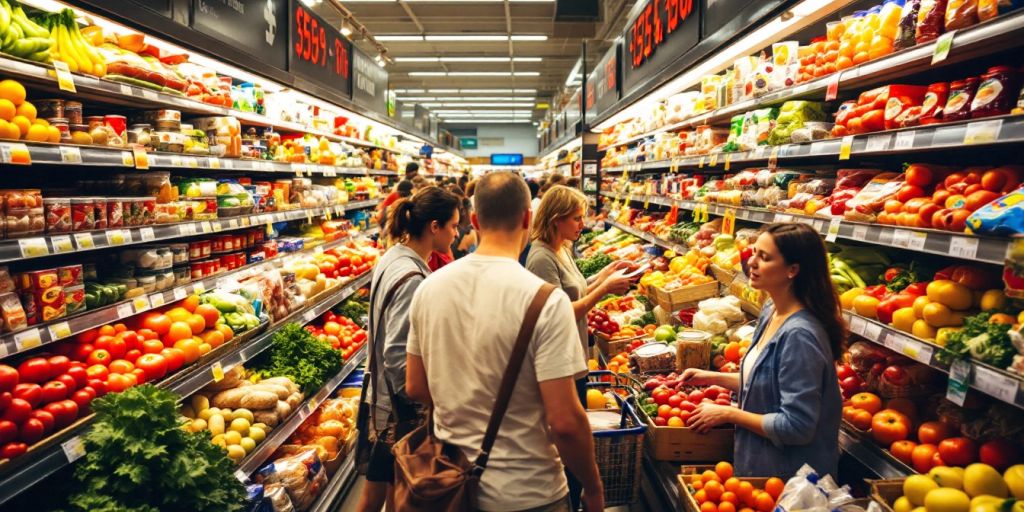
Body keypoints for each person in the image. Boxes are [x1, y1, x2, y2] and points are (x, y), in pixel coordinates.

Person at [405, 172, 604, 512]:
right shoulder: (546, 300)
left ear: (473, 220)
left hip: (450, 484)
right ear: (527, 217)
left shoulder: (429, 288)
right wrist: (593, 486)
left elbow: (416, 386)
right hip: (530, 491)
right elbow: (565, 422)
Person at [681, 223, 843, 479]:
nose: (751, 263)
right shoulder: (771, 311)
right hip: (760, 468)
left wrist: (729, 413)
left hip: (790, 481)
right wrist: (710, 377)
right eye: (754, 252)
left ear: (793, 270)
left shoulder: (799, 335)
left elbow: (798, 426)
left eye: (764, 257)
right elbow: (766, 385)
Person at [525, 185, 633, 510]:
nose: (581, 224)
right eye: (576, 218)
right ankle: (573, 492)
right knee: (569, 427)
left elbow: (575, 289)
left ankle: (576, 486)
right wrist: (605, 291)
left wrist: (604, 275)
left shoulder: (562, 247)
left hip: (575, 351)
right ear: (556, 219)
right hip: (559, 358)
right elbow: (559, 311)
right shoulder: (540, 257)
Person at [355, 186, 461, 512]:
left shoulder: (394, 256)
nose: (457, 234)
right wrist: (429, 399)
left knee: (390, 489)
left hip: (381, 398)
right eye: (454, 226)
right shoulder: (413, 276)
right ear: (434, 227)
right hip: (397, 409)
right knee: (376, 495)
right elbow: (398, 354)